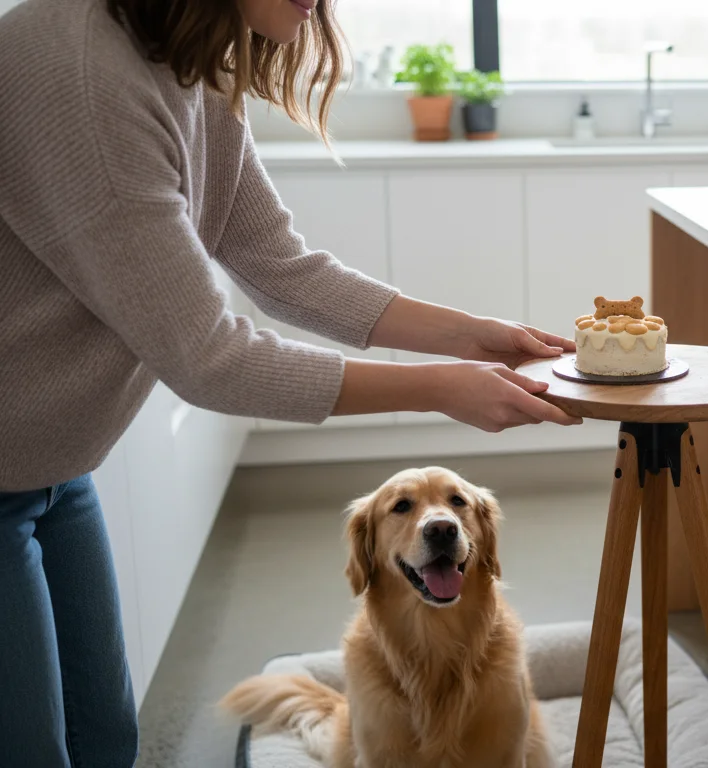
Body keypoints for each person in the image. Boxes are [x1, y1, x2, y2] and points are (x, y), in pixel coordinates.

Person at [0, 0, 581, 764]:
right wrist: (441, 386)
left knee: (105, 740)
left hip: (56, 468)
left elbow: (279, 265)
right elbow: (210, 357)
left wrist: (473, 337)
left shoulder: (187, 57)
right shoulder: (81, 77)